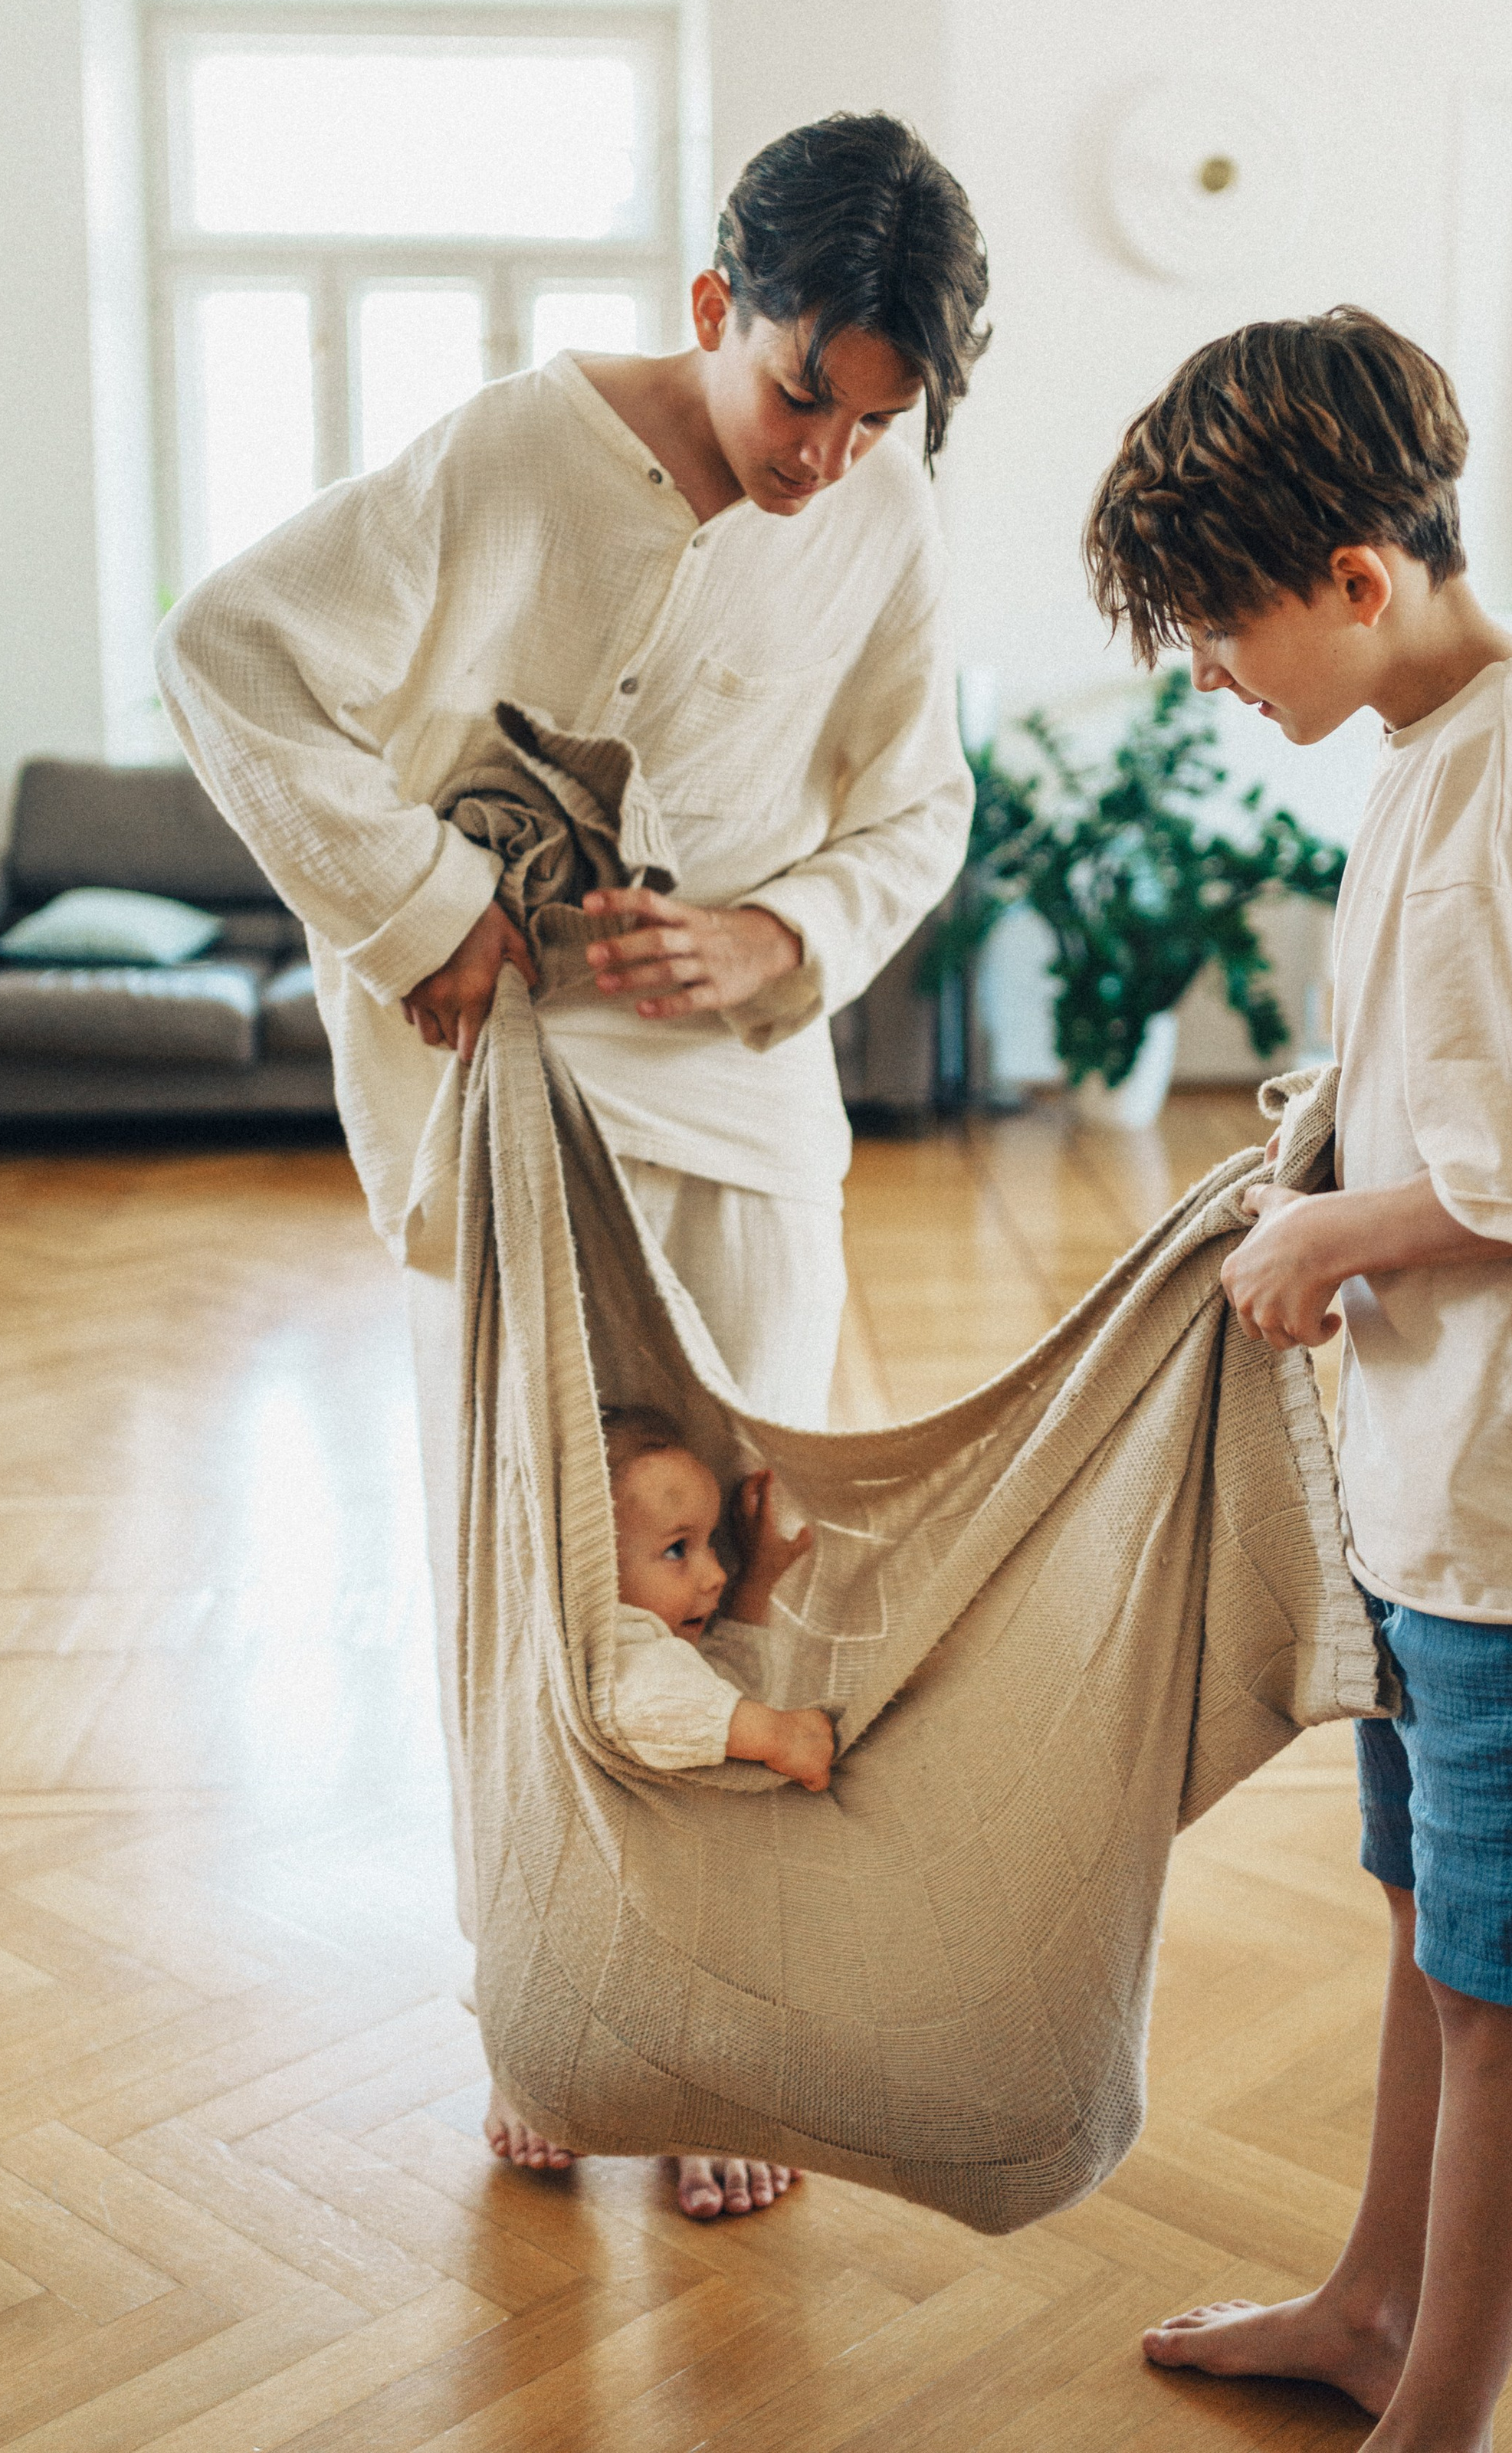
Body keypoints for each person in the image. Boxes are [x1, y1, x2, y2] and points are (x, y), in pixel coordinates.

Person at [156, 110, 989, 2219]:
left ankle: (727, 2035)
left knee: (750, 1567)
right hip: (515, 1109)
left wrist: (778, 935)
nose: (823, 455)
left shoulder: (880, 516)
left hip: (738, 1118)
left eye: (877, 422)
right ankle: (548, 2007)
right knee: (534, 1565)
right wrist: (420, 904)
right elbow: (232, 654)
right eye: (804, 391)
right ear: (720, 309)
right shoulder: (507, 455)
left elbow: (919, 810)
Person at [1081, 308, 1512, 2453]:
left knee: (1500, 1991)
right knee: (1425, 1922)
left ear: (1357, 578)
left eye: (1220, 621)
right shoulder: (1445, 752)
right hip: (1459, 1488)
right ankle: (1373, 2308)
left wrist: (1330, 1233)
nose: (1209, 667)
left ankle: (1436, 2421)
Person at [602, 1408, 834, 1789]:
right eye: (676, 1549)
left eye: (710, 1543)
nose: (717, 1574)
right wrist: (778, 1736)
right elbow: (641, 1699)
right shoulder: (615, 1654)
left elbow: (725, 1684)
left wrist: (757, 1581)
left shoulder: (665, 1649)